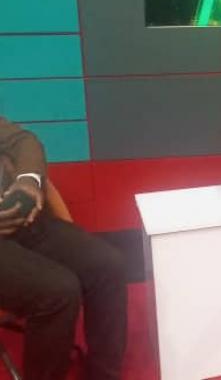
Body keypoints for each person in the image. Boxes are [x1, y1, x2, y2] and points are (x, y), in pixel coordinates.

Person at [0, 118, 127, 380]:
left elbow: (24, 141)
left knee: (108, 264)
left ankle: (103, 375)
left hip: (21, 221)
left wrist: (28, 181)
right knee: (58, 290)